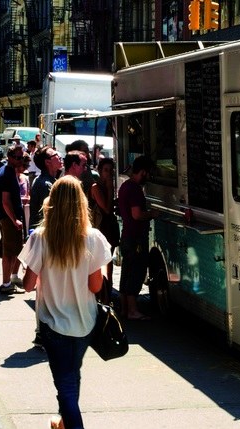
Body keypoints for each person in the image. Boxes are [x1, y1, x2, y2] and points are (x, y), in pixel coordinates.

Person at [18, 175, 111, 429]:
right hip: (84, 322)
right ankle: (63, 422)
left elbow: (27, 285)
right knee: (72, 375)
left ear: (52, 203)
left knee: (65, 386)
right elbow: (95, 286)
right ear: (82, 203)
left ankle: (70, 423)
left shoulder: (40, 237)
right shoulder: (93, 237)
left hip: (53, 323)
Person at [27, 146, 63, 349]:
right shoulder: (45, 184)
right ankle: (43, 332)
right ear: (47, 162)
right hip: (46, 241)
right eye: (55, 155)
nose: (59, 157)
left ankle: (44, 331)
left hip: (44, 240)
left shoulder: (49, 182)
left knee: (46, 288)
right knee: (44, 289)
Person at [117, 155, 158, 320]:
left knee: (126, 272)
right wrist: (152, 214)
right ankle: (133, 310)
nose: (148, 178)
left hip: (126, 236)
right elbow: (136, 214)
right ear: (142, 172)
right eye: (148, 174)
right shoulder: (134, 189)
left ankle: (124, 309)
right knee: (137, 272)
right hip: (135, 238)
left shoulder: (125, 186)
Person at [0, 144, 27, 295]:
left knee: (14, 250)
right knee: (9, 252)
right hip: (8, 218)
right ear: (9, 157)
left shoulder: (7, 171)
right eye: (18, 158)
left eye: (22, 157)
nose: (21, 160)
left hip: (8, 218)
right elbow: (5, 201)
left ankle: (10, 280)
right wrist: (14, 220)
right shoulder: (6, 174)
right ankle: (6, 283)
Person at [90, 157, 120, 304]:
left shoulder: (110, 186)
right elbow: (106, 209)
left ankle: (108, 295)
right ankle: (103, 297)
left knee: (109, 264)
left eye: (111, 170)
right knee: (101, 263)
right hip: (101, 229)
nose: (109, 173)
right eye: (106, 170)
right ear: (100, 171)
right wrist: (109, 188)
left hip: (110, 228)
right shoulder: (96, 187)